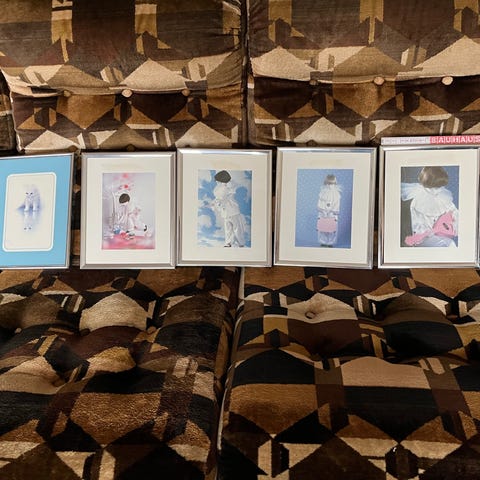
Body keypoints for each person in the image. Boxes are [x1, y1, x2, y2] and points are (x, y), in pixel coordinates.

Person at [401, 166, 458, 247]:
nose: (439, 190)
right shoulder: (419, 201)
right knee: (450, 245)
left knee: (450, 244)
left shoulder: (441, 196)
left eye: (440, 186)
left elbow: (454, 211)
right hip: (423, 239)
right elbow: (418, 228)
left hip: (439, 234)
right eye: (436, 187)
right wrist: (431, 232)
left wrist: (455, 223)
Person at [212, 170, 246, 247]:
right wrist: (215, 203)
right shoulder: (222, 188)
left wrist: (216, 203)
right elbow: (219, 198)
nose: (217, 182)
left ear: (221, 180)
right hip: (226, 212)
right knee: (228, 228)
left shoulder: (227, 188)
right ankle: (228, 242)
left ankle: (240, 243)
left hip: (233, 211)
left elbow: (222, 198)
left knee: (236, 228)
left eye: (218, 181)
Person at [317, 174, 341, 247]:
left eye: (332, 184)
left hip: (332, 214)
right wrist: (323, 210)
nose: (330, 186)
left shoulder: (336, 194)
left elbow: (336, 204)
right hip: (323, 213)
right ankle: (323, 242)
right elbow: (320, 202)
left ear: (335, 184)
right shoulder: (322, 193)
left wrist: (331, 210)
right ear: (325, 184)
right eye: (328, 183)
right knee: (322, 228)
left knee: (331, 228)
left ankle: (330, 242)